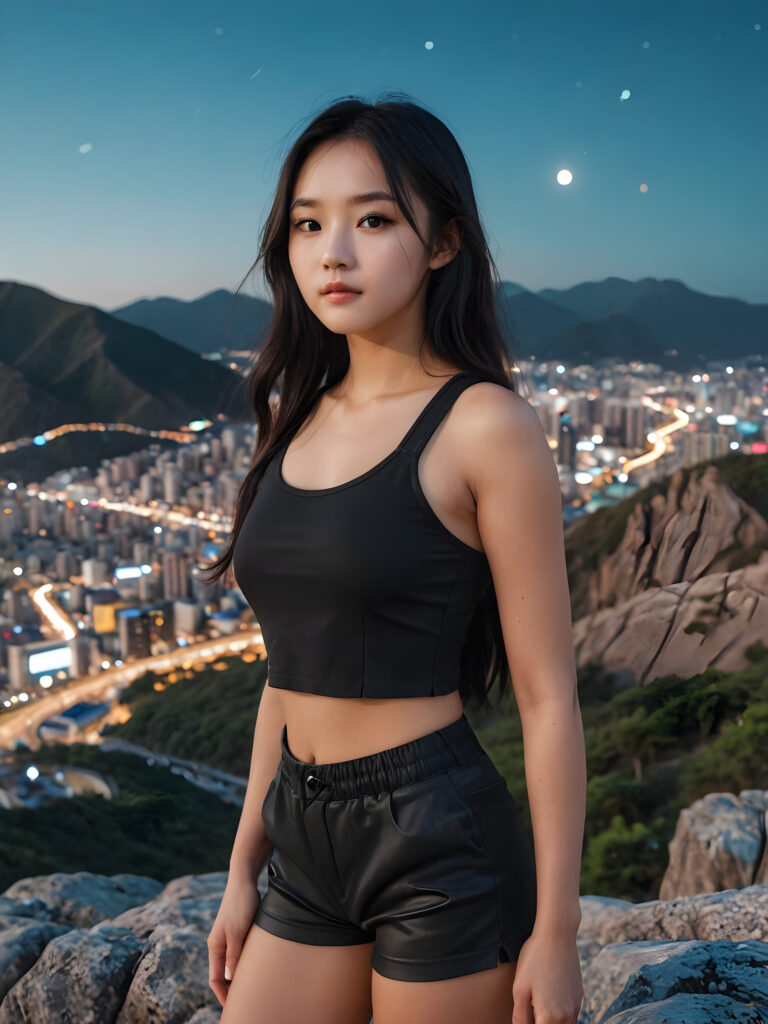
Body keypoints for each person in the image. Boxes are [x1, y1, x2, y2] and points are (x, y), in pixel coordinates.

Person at [204, 93, 586, 1024]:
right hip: (303, 831)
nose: (332, 251)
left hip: (437, 837)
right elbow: (283, 671)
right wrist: (241, 869)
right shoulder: (296, 417)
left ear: (445, 241)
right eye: (308, 223)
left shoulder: (485, 426)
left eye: (373, 219)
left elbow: (548, 698)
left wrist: (557, 932)